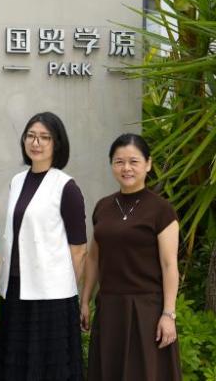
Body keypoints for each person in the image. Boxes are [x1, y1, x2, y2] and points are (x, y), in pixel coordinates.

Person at [80, 134, 181, 381]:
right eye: (119, 161)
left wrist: (168, 314)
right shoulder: (103, 207)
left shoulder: (162, 210)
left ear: (148, 164)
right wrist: (85, 300)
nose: (126, 168)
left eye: (134, 161)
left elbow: (169, 265)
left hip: (146, 310)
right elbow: (93, 258)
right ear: (112, 165)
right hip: (109, 307)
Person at [0, 112, 87, 381]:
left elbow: (79, 250)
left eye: (45, 137)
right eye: (31, 136)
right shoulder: (17, 181)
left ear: (57, 143)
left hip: (51, 297)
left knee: (48, 367)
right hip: (15, 289)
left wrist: (64, 289)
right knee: (15, 365)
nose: (36, 143)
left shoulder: (66, 187)